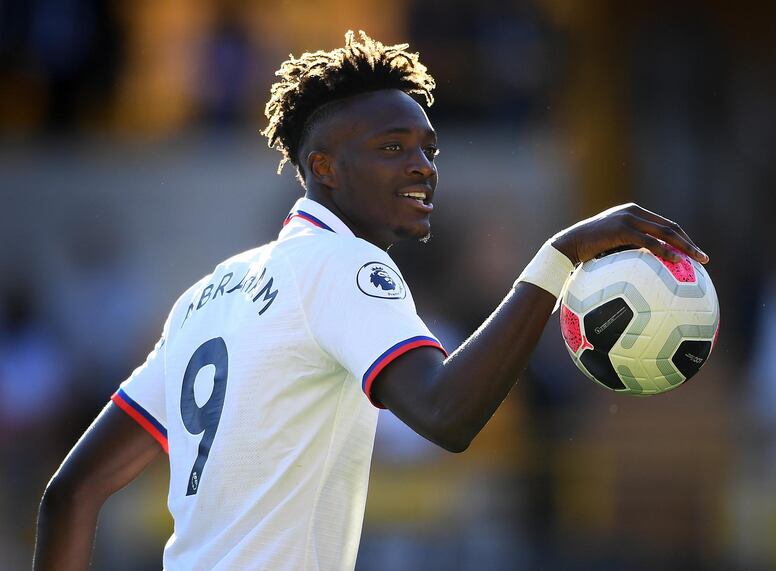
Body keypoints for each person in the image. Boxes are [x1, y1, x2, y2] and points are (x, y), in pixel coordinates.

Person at [33, 31, 709, 570]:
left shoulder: (208, 293)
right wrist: (558, 256)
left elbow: (71, 494)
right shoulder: (342, 263)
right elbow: (447, 413)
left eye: (428, 148)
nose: (422, 165)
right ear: (323, 167)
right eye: (392, 147)